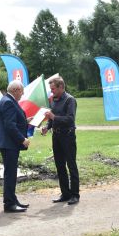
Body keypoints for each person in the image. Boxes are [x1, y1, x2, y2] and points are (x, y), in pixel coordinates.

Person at [41, 76, 79, 205]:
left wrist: (53, 117)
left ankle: (75, 194)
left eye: (53, 89)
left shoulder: (70, 100)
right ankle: (65, 193)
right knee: (60, 166)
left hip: (68, 136)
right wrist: (47, 127)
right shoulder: (54, 100)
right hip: (56, 137)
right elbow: (52, 119)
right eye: (51, 89)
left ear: (61, 87)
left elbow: (70, 119)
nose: (51, 91)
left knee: (71, 165)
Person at [0, 80, 30, 213]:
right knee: (10, 174)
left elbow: (12, 121)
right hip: (9, 144)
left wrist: (26, 121)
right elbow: (10, 125)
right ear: (16, 90)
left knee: (11, 173)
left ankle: (13, 200)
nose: (22, 94)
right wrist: (22, 139)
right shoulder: (9, 102)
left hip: (8, 144)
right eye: (22, 91)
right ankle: (9, 204)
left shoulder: (7, 100)